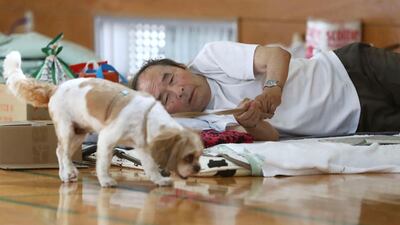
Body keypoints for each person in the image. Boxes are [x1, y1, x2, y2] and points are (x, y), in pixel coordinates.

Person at [129, 41, 400, 141]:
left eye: (171, 77)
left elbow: (277, 55)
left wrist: (272, 90)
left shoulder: (211, 57)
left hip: (353, 69)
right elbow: (271, 137)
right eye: (165, 99)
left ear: (180, 66)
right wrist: (255, 122)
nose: (178, 91)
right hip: (357, 121)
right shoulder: (201, 125)